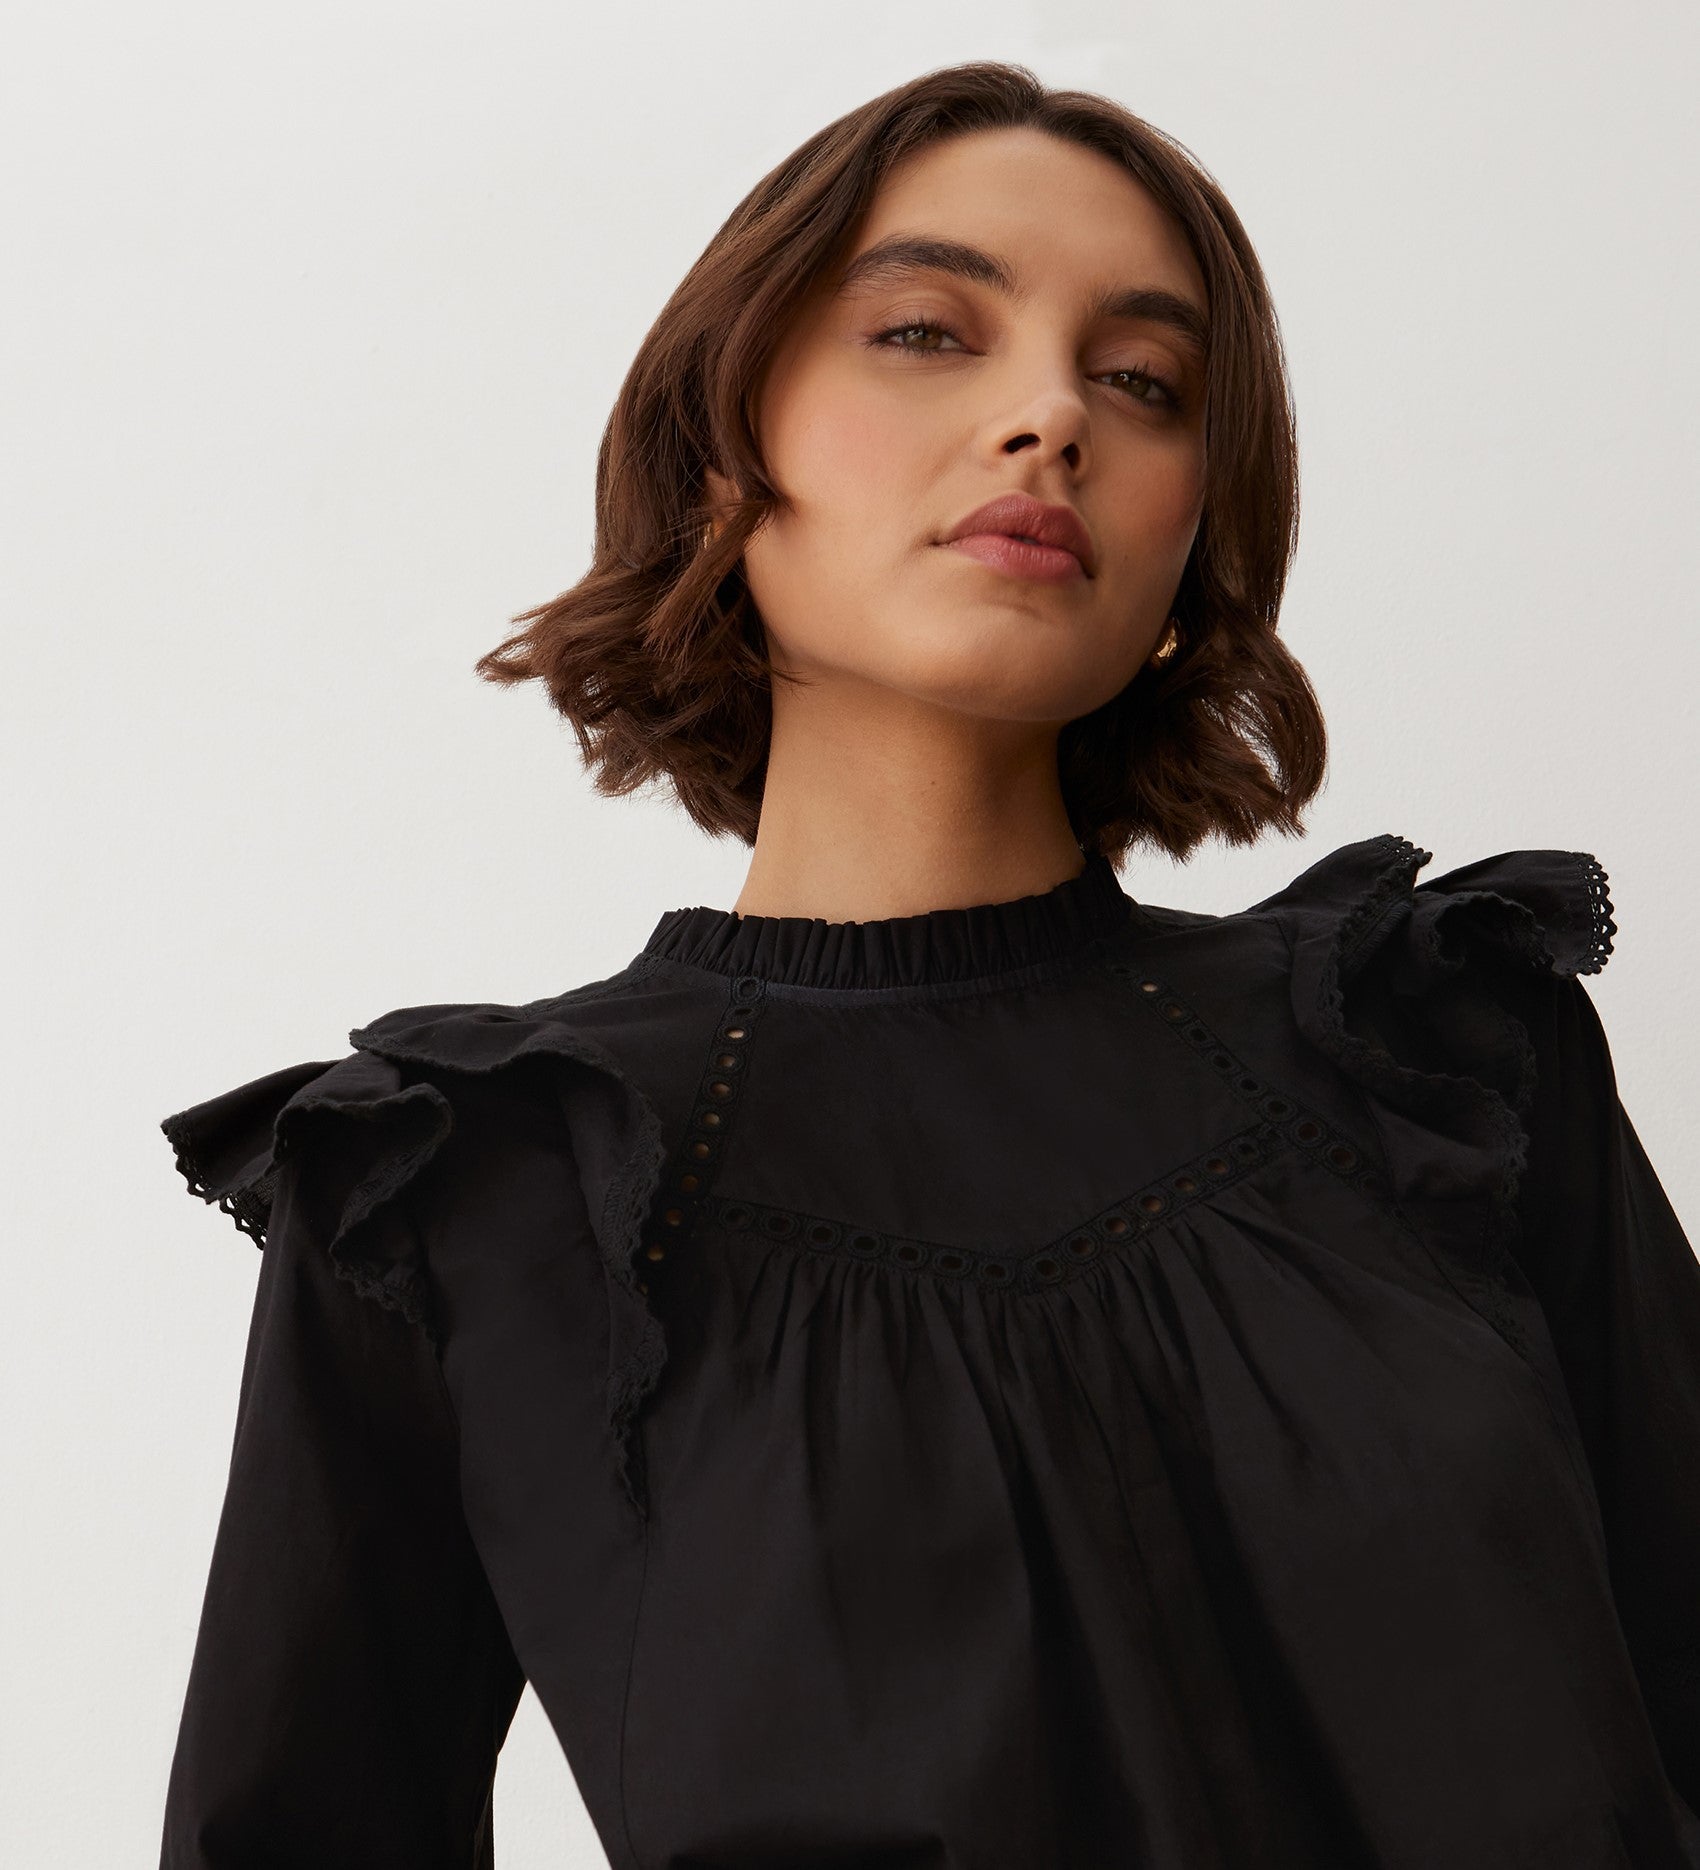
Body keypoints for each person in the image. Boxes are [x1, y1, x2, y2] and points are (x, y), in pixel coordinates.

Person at [156, 60, 1700, 1870]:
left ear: (1197, 525)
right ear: (725, 440)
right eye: (925, 333)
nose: (1053, 415)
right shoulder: (473, 1190)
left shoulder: (1437, 1049)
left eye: (1142, 381)